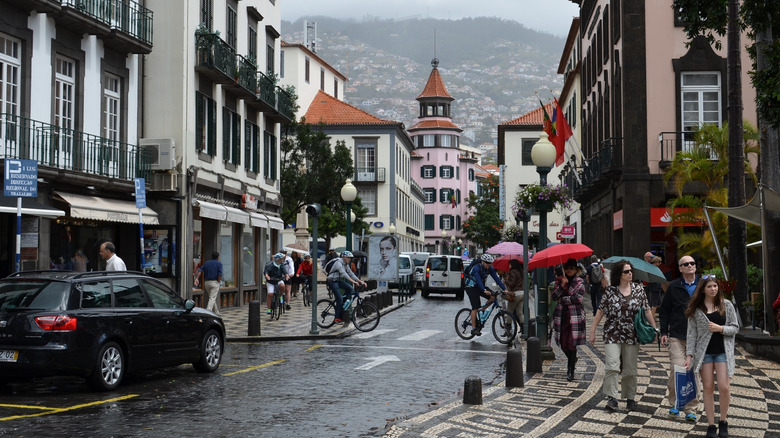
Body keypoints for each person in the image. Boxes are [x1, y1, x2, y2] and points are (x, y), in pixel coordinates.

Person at [588, 260, 657, 412]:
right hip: (612, 332)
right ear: (619, 274)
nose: (630, 273)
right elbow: (600, 311)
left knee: (630, 368)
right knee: (612, 365)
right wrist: (592, 331)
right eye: (626, 271)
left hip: (632, 334)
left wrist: (654, 328)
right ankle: (612, 398)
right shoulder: (610, 291)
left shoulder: (639, 289)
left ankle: (630, 397)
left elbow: (646, 310)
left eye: (631, 271)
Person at [683, 276, 738, 438]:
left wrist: (720, 329)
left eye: (715, 286)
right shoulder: (696, 309)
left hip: (723, 352)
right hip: (704, 354)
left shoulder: (726, 305)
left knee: (724, 387)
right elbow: (691, 334)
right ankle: (711, 424)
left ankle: (723, 420)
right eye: (709, 287)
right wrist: (689, 355)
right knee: (707, 388)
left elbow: (735, 328)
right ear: (703, 289)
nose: (713, 289)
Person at [659, 255, 701, 421]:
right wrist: (663, 332)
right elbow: (665, 311)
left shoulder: (703, 286)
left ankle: (691, 409)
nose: (690, 265)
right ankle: (675, 403)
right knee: (677, 368)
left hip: (697, 338)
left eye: (692, 263)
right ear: (681, 268)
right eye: (686, 264)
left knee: (693, 373)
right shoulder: (674, 286)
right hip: (677, 335)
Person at [552, 258, 587, 382]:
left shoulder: (580, 282)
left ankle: (570, 370)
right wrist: (562, 286)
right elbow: (554, 297)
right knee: (562, 343)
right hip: (561, 316)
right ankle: (572, 359)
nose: (569, 270)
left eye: (571, 268)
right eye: (567, 268)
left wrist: (563, 299)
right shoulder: (559, 281)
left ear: (576, 269)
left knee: (572, 344)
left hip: (575, 316)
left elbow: (577, 298)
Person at [464, 254, 508, 337]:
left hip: (480, 287)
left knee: (493, 296)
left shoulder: (490, 268)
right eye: (487, 263)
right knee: (475, 307)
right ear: (482, 262)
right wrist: (484, 290)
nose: (489, 264)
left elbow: (496, 278)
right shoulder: (476, 268)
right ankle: (474, 328)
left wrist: (504, 288)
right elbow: (478, 280)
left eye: (490, 263)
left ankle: (482, 310)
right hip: (471, 287)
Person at [326, 251, 367, 325]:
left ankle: (343, 304)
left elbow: (351, 273)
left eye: (350, 258)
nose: (350, 260)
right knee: (340, 298)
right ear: (344, 257)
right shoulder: (338, 263)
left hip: (337, 280)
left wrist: (360, 281)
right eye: (348, 258)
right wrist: (353, 282)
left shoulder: (346, 264)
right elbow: (344, 274)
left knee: (350, 288)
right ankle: (337, 318)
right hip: (331, 281)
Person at [195, 251, 223, 316]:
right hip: (214, 282)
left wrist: (197, 278)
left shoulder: (207, 263)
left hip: (207, 283)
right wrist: (218, 281)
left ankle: (216, 312)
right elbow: (220, 274)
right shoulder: (219, 264)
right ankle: (208, 312)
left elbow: (200, 270)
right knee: (212, 298)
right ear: (218, 257)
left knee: (212, 297)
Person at [503, 259, 524, 333]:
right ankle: (524, 329)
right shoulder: (520, 271)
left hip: (516, 294)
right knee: (520, 313)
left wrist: (506, 281)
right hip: (522, 293)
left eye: (509, 264)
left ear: (512, 265)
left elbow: (512, 284)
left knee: (510, 312)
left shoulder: (512, 272)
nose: (509, 266)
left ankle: (508, 328)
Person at [646, 255, 666, 320]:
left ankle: (652, 316)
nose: (660, 263)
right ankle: (651, 318)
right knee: (654, 304)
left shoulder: (653, 268)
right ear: (656, 262)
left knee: (657, 303)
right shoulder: (654, 269)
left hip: (657, 288)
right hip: (655, 288)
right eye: (659, 262)